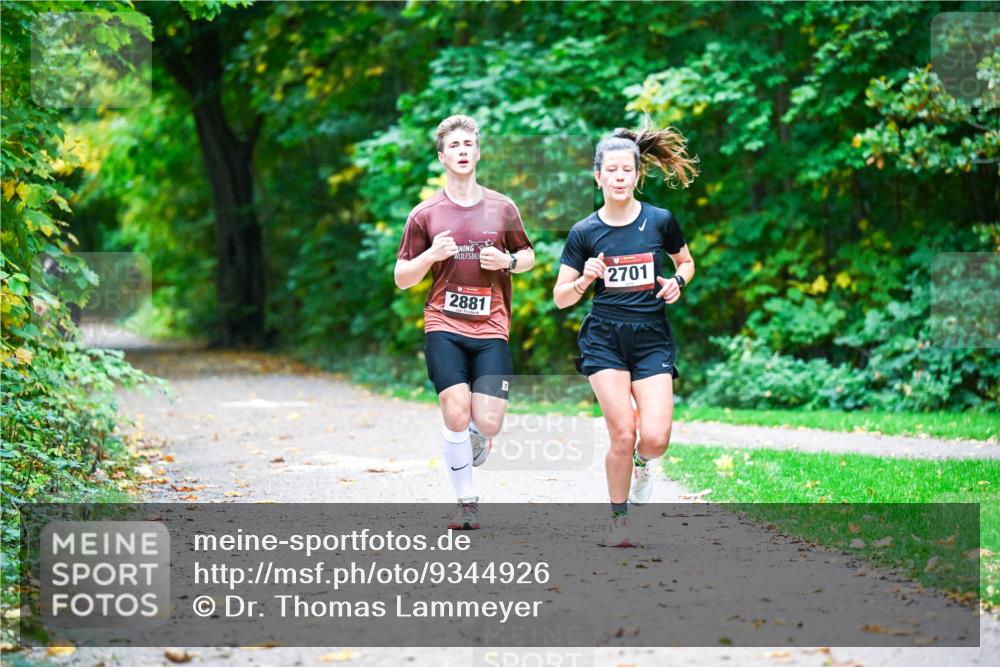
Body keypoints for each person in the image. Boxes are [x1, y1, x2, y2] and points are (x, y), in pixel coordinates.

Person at [553, 123, 698, 547]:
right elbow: (561, 297)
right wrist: (585, 279)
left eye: (626, 170)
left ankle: (642, 463)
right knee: (622, 432)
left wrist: (678, 282)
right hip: (604, 340)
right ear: (598, 177)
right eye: (610, 170)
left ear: (637, 175)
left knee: (653, 439)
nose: (619, 177)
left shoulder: (661, 221)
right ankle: (619, 519)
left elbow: (686, 262)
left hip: (652, 337)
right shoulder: (584, 232)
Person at [394, 115, 535, 530]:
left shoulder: (502, 207)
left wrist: (507, 261)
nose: (462, 151)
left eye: (468, 145)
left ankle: (478, 431)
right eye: (453, 145)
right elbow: (402, 278)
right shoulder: (425, 215)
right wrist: (430, 256)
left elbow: (528, 256)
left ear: (478, 152)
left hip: (491, 326)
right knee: (454, 412)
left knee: (488, 421)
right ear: (442, 156)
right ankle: (466, 502)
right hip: (444, 324)